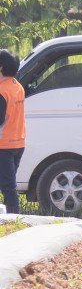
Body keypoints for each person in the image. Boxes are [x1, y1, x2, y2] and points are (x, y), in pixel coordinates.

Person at [0, 50, 26, 214]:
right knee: (7, 182)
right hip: (18, 142)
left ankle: (13, 219)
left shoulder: (2, 91)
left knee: (9, 187)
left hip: (4, 144)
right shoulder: (18, 86)